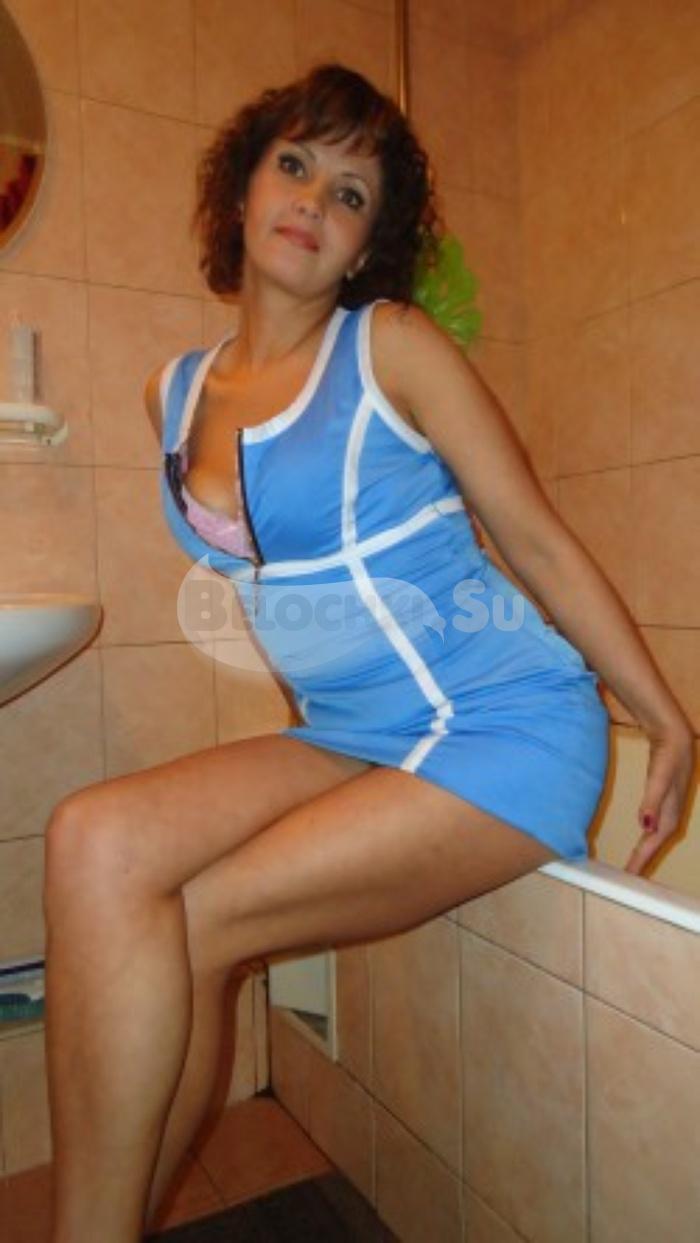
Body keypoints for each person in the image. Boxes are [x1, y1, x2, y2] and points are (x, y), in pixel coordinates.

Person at [44, 63, 695, 1243]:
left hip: (501, 726)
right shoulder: (172, 393)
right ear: (241, 192)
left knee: (197, 918)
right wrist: (302, 733)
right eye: (294, 165)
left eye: (350, 194)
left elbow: (533, 537)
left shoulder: (389, 345)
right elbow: (264, 589)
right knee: (91, 837)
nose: (313, 199)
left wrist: (664, 717)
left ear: (364, 249)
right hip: (350, 733)